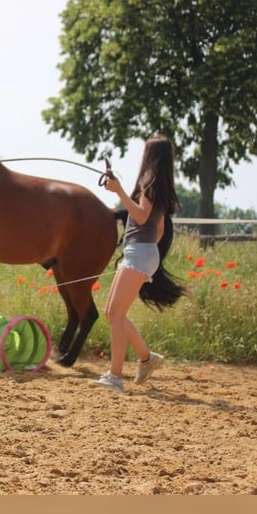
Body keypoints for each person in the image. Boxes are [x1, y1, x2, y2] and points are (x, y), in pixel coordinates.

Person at [95, 135, 182, 392]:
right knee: (113, 313)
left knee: (115, 314)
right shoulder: (160, 188)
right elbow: (159, 229)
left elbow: (143, 217)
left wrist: (119, 190)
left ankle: (115, 376)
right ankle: (147, 358)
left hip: (139, 253)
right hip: (143, 252)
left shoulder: (149, 184)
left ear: (149, 156)